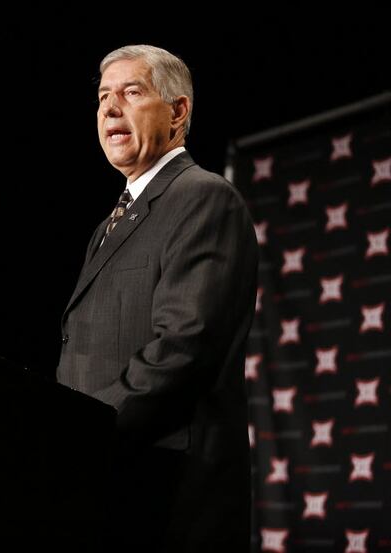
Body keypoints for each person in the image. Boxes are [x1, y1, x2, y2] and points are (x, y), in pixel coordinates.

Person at [56, 45, 258, 551]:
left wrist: (80, 434)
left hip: (166, 492)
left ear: (178, 111)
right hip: (103, 487)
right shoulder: (108, 225)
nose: (109, 108)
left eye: (131, 92)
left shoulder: (202, 197)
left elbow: (185, 345)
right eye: (103, 97)